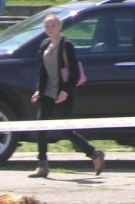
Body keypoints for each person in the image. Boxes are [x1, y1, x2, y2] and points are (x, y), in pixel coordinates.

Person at [29, 14, 105, 178]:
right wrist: (38, 91)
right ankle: (42, 165)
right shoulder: (44, 44)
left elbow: (75, 73)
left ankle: (94, 153)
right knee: (40, 127)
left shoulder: (66, 45)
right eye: (47, 26)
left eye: (53, 25)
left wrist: (65, 92)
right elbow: (43, 72)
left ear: (60, 26)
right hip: (48, 93)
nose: (50, 29)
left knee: (65, 130)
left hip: (63, 93)